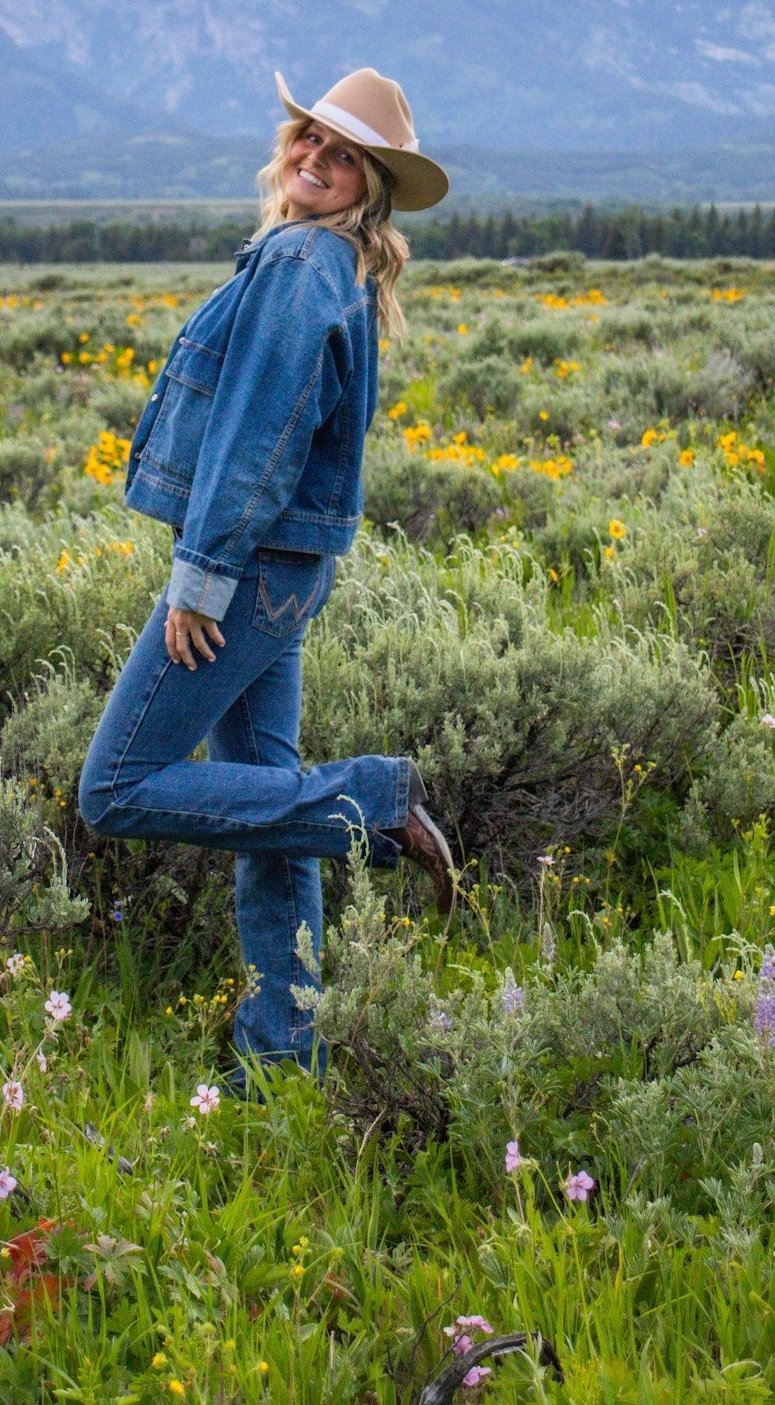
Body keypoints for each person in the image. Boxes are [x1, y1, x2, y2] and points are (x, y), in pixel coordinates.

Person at [78, 67, 457, 1085]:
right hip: (288, 565)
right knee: (266, 803)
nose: (316, 162)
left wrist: (201, 573)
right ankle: (283, 1051)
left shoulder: (298, 261)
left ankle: (370, 803)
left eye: (344, 156)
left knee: (114, 787)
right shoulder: (335, 263)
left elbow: (259, 433)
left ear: (373, 183)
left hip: (247, 568)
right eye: (308, 140)